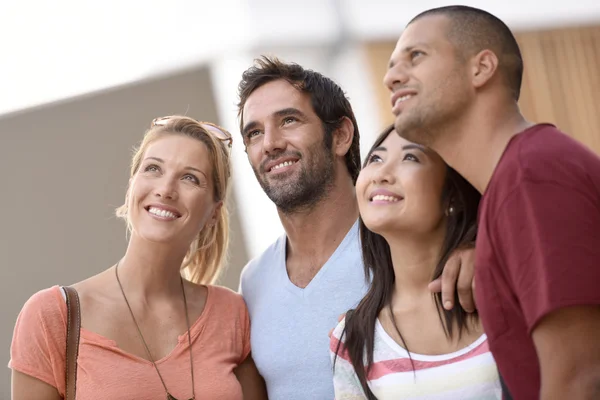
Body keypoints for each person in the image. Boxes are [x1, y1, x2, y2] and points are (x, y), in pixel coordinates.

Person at [385, 5, 600, 399]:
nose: (391, 77)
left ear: (481, 68)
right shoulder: (512, 184)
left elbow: (580, 377)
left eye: (416, 56)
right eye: (392, 64)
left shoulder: (533, 174)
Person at [236, 56, 478, 400]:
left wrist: (478, 245)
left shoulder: (407, 243)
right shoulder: (253, 282)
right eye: (254, 132)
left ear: (341, 136)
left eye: (288, 120)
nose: (270, 143)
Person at [9, 116, 267, 400]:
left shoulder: (232, 314)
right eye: (153, 169)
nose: (165, 189)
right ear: (132, 185)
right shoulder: (51, 315)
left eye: (190, 178)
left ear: (213, 213)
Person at [330, 125, 501, 399]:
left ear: (453, 196)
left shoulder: (500, 290)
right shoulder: (353, 340)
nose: (381, 174)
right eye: (375, 158)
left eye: (410, 158)